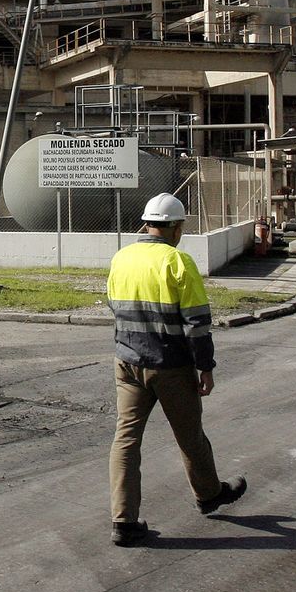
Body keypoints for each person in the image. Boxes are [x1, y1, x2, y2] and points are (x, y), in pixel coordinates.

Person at [106, 192, 247, 547]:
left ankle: (123, 521)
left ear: (146, 224)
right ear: (175, 228)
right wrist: (206, 367)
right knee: (190, 435)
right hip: (170, 366)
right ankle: (209, 495)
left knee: (126, 440)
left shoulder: (121, 258)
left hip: (128, 362)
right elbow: (196, 324)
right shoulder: (178, 262)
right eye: (181, 226)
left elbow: (115, 306)